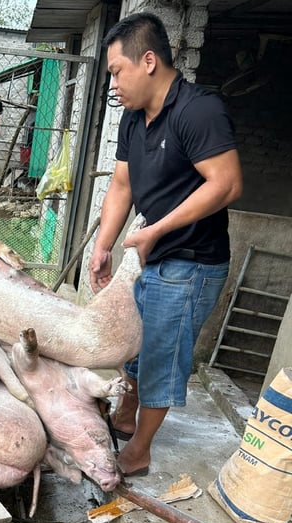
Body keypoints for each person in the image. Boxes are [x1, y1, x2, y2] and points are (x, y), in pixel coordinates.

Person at [88, 13, 243, 477]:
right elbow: (121, 184)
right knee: (135, 343)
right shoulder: (134, 119)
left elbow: (228, 183)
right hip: (150, 255)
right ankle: (125, 412)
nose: (113, 83)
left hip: (191, 261)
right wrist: (103, 244)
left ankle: (139, 450)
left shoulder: (199, 111)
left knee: (161, 353)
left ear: (149, 61)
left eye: (117, 71)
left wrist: (156, 230)